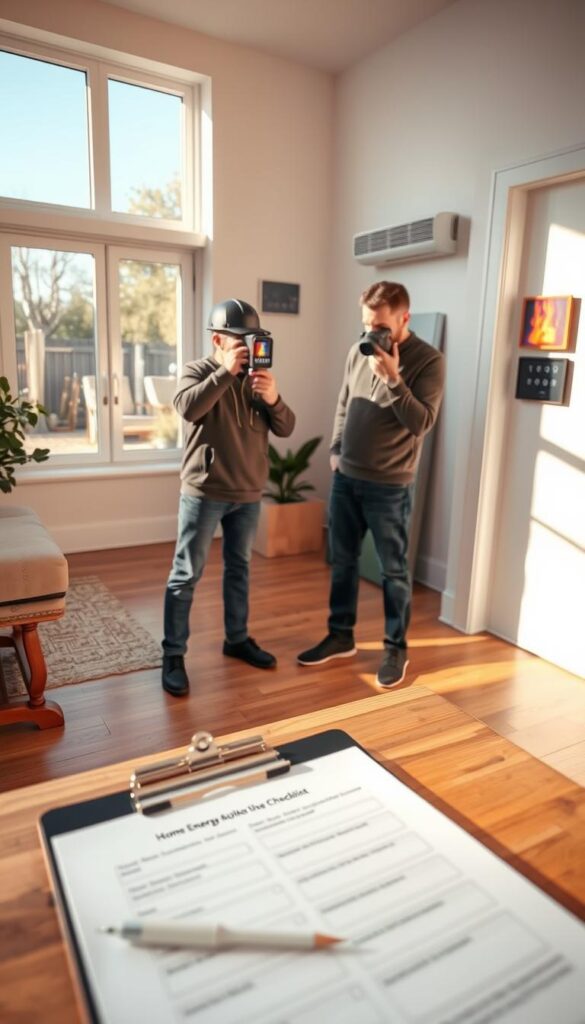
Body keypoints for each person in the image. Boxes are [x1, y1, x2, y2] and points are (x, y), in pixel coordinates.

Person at [298, 281, 445, 687]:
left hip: (391, 486)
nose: (371, 334)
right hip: (347, 478)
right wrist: (335, 448)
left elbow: (421, 423)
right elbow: (345, 401)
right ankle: (340, 635)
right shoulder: (356, 351)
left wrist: (395, 379)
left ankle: (396, 649)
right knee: (341, 562)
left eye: (380, 326)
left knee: (393, 571)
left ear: (403, 319)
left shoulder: (428, 361)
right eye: (366, 324)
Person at [162, 298, 295, 697]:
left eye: (252, 341)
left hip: (249, 493)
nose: (247, 349)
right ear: (218, 339)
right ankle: (173, 655)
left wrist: (272, 397)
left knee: (239, 570)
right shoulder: (199, 371)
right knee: (186, 574)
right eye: (240, 341)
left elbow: (287, 428)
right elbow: (188, 408)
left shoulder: (258, 379)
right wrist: (224, 371)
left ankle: (236, 639)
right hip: (205, 491)